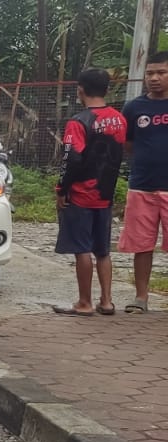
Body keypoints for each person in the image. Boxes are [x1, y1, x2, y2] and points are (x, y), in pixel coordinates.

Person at [54, 68, 127, 317]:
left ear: (80, 90)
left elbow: (71, 159)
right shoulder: (119, 119)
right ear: (107, 89)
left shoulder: (79, 122)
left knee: (82, 249)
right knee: (103, 250)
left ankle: (84, 302)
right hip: (105, 195)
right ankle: (106, 301)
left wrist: (61, 189)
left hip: (82, 195)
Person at [120, 51, 168, 313]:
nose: (154, 78)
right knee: (142, 245)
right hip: (142, 186)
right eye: (150, 73)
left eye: (161, 72)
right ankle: (141, 298)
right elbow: (128, 144)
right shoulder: (134, 108)